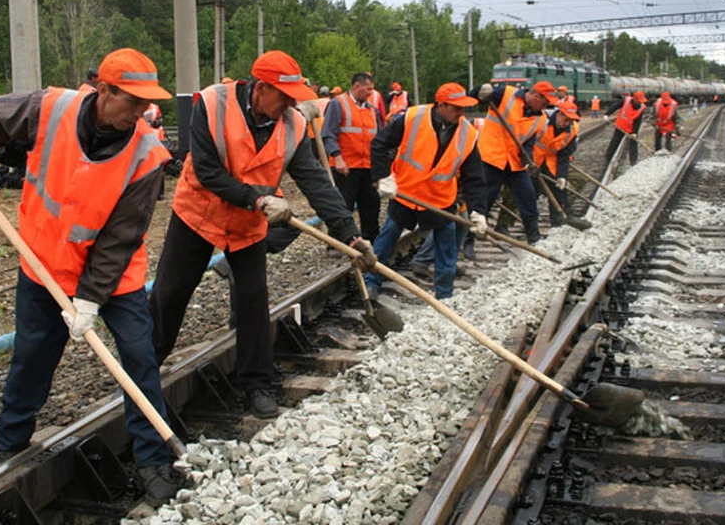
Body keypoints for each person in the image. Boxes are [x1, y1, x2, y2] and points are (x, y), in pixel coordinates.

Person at [0, 48, 182, 506]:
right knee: (34, 354)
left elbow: (119, 239)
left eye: (145, 103)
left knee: (138, 357)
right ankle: (12, 445)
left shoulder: (146, 155)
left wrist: (92, 299)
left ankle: (155, 460)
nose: (140, 112)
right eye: (131, 101)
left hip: (114, 281)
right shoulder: (51, 109)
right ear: (104, 90)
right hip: (45, 262)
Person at [148, 51, 377, 420]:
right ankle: (145, 368)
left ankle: (257, 383)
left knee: (254, 301)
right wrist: (256, 198)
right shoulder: (211, 103)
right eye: (284, 96)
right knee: (170, 293)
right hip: (198, 213)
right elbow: (206, 170)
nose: (291, 104)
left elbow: (317, 183)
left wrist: (350, 235)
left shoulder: (293, 125)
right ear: (260, 88)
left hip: (247, 224)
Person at [365, 82, 487, 301]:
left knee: (447, 252)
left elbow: (474, 176)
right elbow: (380, 144)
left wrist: (478, 211)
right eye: (456, 107)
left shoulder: (468, 134)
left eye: (463, 108)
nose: (461, 113)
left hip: (439, 198)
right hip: (406, 193)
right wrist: (383, 177)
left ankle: (444, 296)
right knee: (386, 240)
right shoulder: (412, 118)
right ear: (441, 105)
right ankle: (370, 284)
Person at [472, 80, 557, 244]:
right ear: (535, 96)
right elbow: (474, 96)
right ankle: (469, 239)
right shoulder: (506, 94)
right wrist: (481, 90)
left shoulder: (540, 118)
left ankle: (534, 235)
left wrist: (529, 162)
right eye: (545, 102)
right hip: (492, 158)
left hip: (514, 163)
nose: (545, 106)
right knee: (484, 199)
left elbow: (528, 144)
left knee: (528, 196)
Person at [321, 72, 383, 241]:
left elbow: (378, 138)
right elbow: (328, 134)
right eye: (368, 89)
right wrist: (337, 157)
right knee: (342, 206)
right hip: (345, 166)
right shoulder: (338, 104)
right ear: (356, 86)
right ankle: (337, 243)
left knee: (371, 204)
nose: (371, 93)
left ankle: (370, 238)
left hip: (367, 166)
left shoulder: (372, 110)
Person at [532, 101, 580, 226]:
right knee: (529, 192)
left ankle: (558, 221)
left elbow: (564, 156)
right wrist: (526, 163)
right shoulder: (541, 120)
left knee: (558, 190)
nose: (567, 123)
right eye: (566, 119)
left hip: (550, 162)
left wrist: (561, 176)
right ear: (559, 114)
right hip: (531, 161)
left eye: (571, 120)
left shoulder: (572, 130)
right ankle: (528, 223)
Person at [603, 90, 647, 166]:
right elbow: (615, 106)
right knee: (615, 141)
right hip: (621, 126)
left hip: (630, 128)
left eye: (641, 101)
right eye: (639, 101)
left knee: (633, 143)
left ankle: (633, 161)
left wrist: (635, 132)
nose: (640, 102)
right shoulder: (625, 100)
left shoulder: (642, 107)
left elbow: (638, 121)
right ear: (634, 99)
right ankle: (608, 158)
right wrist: (607, 114)